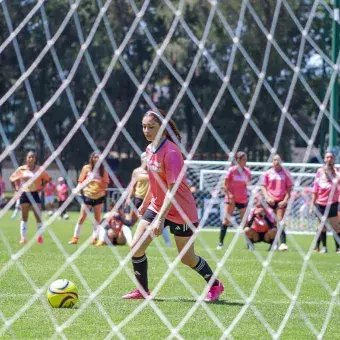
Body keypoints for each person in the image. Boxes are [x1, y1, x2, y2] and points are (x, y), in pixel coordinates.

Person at [122, 109, 224, 301]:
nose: (146, 130)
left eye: (151, 127)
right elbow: (155, 182)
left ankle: (215, 284)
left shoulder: (172, 153)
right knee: (136, 247)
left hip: (181, 212)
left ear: (163, 127)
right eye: (144, 126)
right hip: (157, 206)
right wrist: (146, 204)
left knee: (187, 258)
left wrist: (160, 220)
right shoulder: (149, 150)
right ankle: (143, 291)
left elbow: (172, 189)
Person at [124, 152, 171, 246]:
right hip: (138, 198)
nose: (148, 159)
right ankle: (130, 241)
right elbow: (132, 186)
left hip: (151, 200)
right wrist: (129, 198)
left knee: (158, 221)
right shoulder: (136, 171)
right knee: (131, 221)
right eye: (146, 157)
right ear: (142, 159)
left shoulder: (154, 171)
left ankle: (167, 242)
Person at [9, 151, 51, 244]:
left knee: (38, 216)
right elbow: (11, 178)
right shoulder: (21, 169)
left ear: (35, 159)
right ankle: (23, 238)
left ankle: (39, 236)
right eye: (29, 157)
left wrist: (42, 186)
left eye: (33, 157)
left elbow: (48, 178)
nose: (31, 159)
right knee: (24, 216)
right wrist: (16, 188)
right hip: (25, 194)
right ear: (26, 159)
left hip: (35, 194)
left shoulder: (39, 169)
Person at [68, 152, 109, 245]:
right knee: (82, 217)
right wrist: (77, 190)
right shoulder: (86, 168)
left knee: (97, 218)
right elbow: (81, 181)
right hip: (88, 196)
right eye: (95, 157)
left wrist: (96, 181)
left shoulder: (103, 170)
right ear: (92, 158)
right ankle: (75, 238)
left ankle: (94, 238)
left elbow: (106, 183)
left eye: (98, 157)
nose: (97, 159)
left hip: (99, 196)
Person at [217, 151, 251, 250]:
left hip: (242, 199)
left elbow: (247, 185)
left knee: (245, 222)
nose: (245, 161)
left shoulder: (248, 172)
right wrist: (229, 195)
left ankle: (249, 244)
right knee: (226, 221)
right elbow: (224, 185)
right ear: (238, 160)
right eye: (244, 159)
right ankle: (220, 243)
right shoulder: (231, 170)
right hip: (231, 200)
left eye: (246, 159)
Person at [310, 152, 340, 254]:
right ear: (324, 159)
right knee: (322, 227)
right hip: (321, 203)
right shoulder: (319, 172)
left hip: (333, 203)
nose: (329, 159)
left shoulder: (337, 172)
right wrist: (311, 205)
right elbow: (315, 189)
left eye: (331, 157)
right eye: (327, 157)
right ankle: (324, 247)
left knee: (336, 227)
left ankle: (338, 248)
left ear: (334, 159)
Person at [262, 154, 293, 251]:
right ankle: (273, 244)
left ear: (282, 161)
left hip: (281, 202)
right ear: (272, 161)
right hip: (270, 201)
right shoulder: (268, 173)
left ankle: (283, 243)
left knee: (280, 221)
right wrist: (267, 197)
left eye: (278, 160)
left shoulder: (286, 173)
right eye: (275, 160)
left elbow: (289, 189)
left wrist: (285, 200)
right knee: (271, 223)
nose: (277, 162)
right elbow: (263, 186)